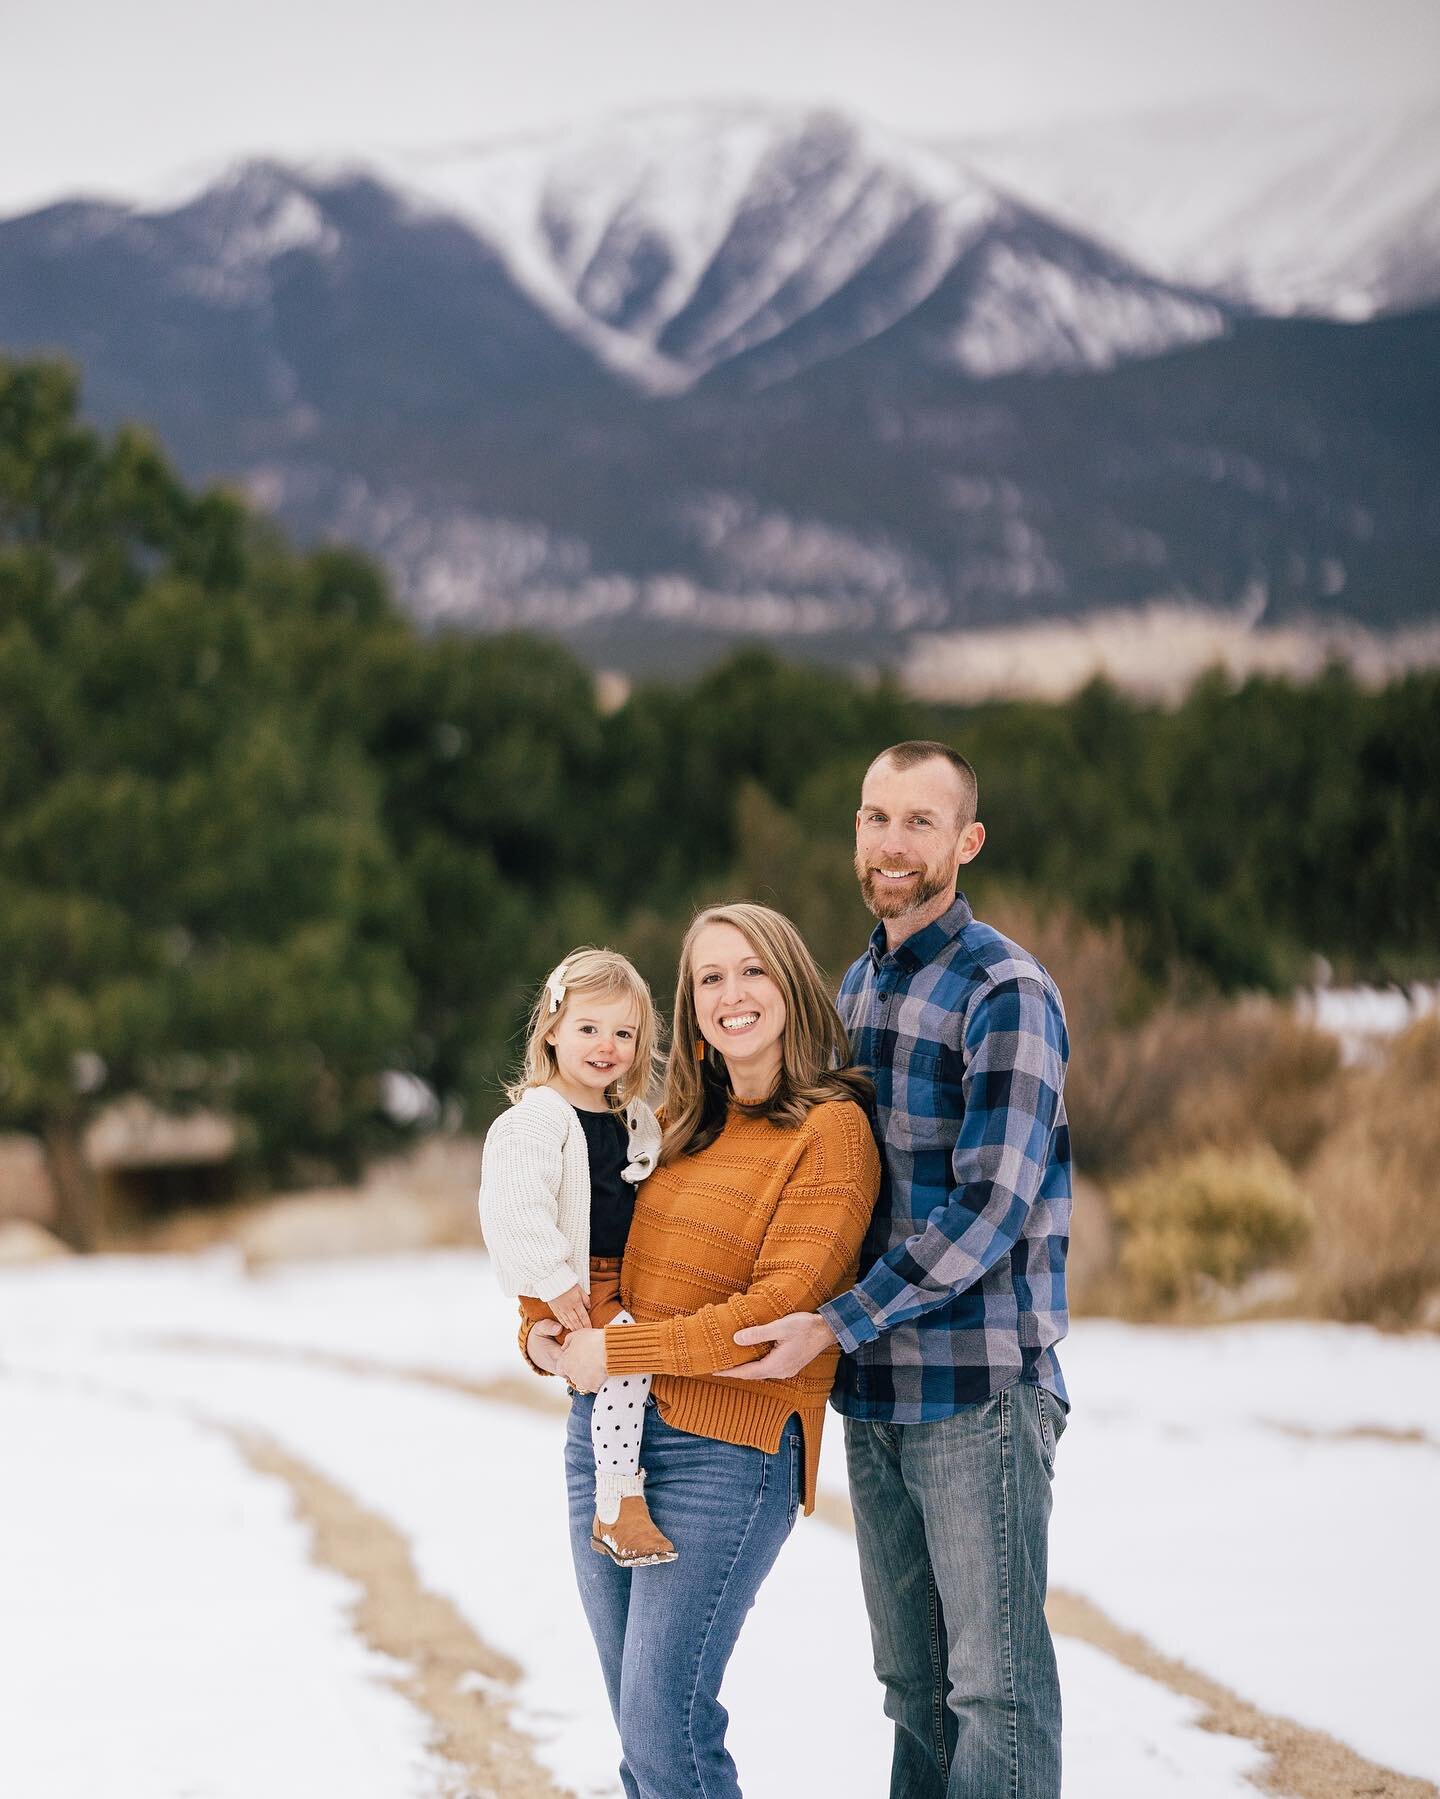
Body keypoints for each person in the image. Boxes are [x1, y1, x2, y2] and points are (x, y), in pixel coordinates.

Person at [723, 742, 1072, 1799]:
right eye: (876, 817)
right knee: (912, 1685)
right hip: (874, 1393)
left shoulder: (1004, 988)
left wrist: (836, 1321)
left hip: (976, 1391)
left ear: (966, 841)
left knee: (993, 1693)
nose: (892, 842)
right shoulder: (857, 982)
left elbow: (990, 1206)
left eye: (921, 821)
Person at [526, 903, 881, 1799]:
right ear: (689, 1008)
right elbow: (594, 1260)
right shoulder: (673, 1126)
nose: (732, 994)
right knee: (640, 1728)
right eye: (709, 978)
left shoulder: (831, 1130)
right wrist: (544, 1331)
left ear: (791, 980)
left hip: (731, 1447)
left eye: (751, 969)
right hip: (608, 1445)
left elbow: (774, 1313)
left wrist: (623, 1350)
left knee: (665, 1724)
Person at [478, 947, 675, 1566]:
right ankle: (617, 1501)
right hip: (574, 1280)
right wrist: (554, 1285)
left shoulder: (629, 1115)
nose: (605, 1045)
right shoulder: (537, 1117)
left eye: (623, 1033)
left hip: (615, 1275)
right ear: (553, 1031)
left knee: (626, 1354)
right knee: (625, 1360)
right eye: (588, 1029)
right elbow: (513, 1207)